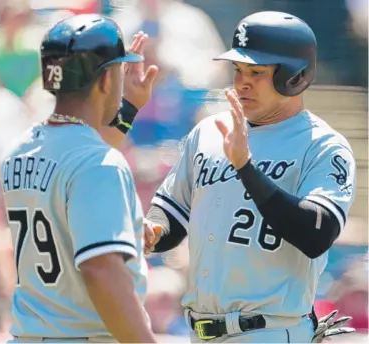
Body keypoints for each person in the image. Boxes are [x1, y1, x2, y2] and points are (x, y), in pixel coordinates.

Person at [143, 11, 356, 343]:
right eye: (238, 69)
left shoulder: (323, 145)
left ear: (295, 77)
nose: (242, 81)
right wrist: (153, 230)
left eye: (256, 71)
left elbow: (317, 234)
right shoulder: (210, 131)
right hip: (199, 332)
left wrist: (246, 168)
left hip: (269, 332)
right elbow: (170, 212)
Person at [0, 14, 158, 343]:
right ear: (104, 81)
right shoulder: (99, 164)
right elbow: (101, 270)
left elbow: (77, 157)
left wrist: (128, 108)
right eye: (118, 69)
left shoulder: (18, 150)